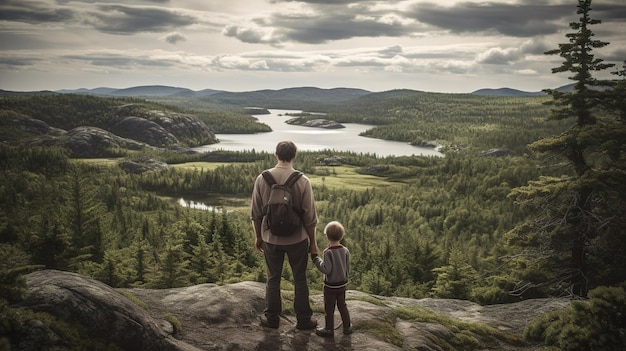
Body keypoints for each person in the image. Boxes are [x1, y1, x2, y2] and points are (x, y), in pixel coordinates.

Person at [251, 140, 318, 330]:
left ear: (276, 155)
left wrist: (258, 237)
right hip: (298, 239)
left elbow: (256, 214)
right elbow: (310, 218)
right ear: (294, 156)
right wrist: (313, 244)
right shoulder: (303, 180)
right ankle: (304, 320)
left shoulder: (262, 178)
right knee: (300, 279)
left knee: (273, 278)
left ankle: (272, 319)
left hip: (271, 238)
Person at [311, 221, 352, 337]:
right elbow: (347, 268)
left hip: (330, 287)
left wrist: (316, 260)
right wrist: (345, 280)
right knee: (342, 306)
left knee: (329, 308)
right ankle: (347, 327)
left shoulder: (327, 252)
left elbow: (326, 270)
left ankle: (329, 330)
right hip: (342, 285)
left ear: (327, 236)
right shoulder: (345, 250)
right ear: (341, 235)